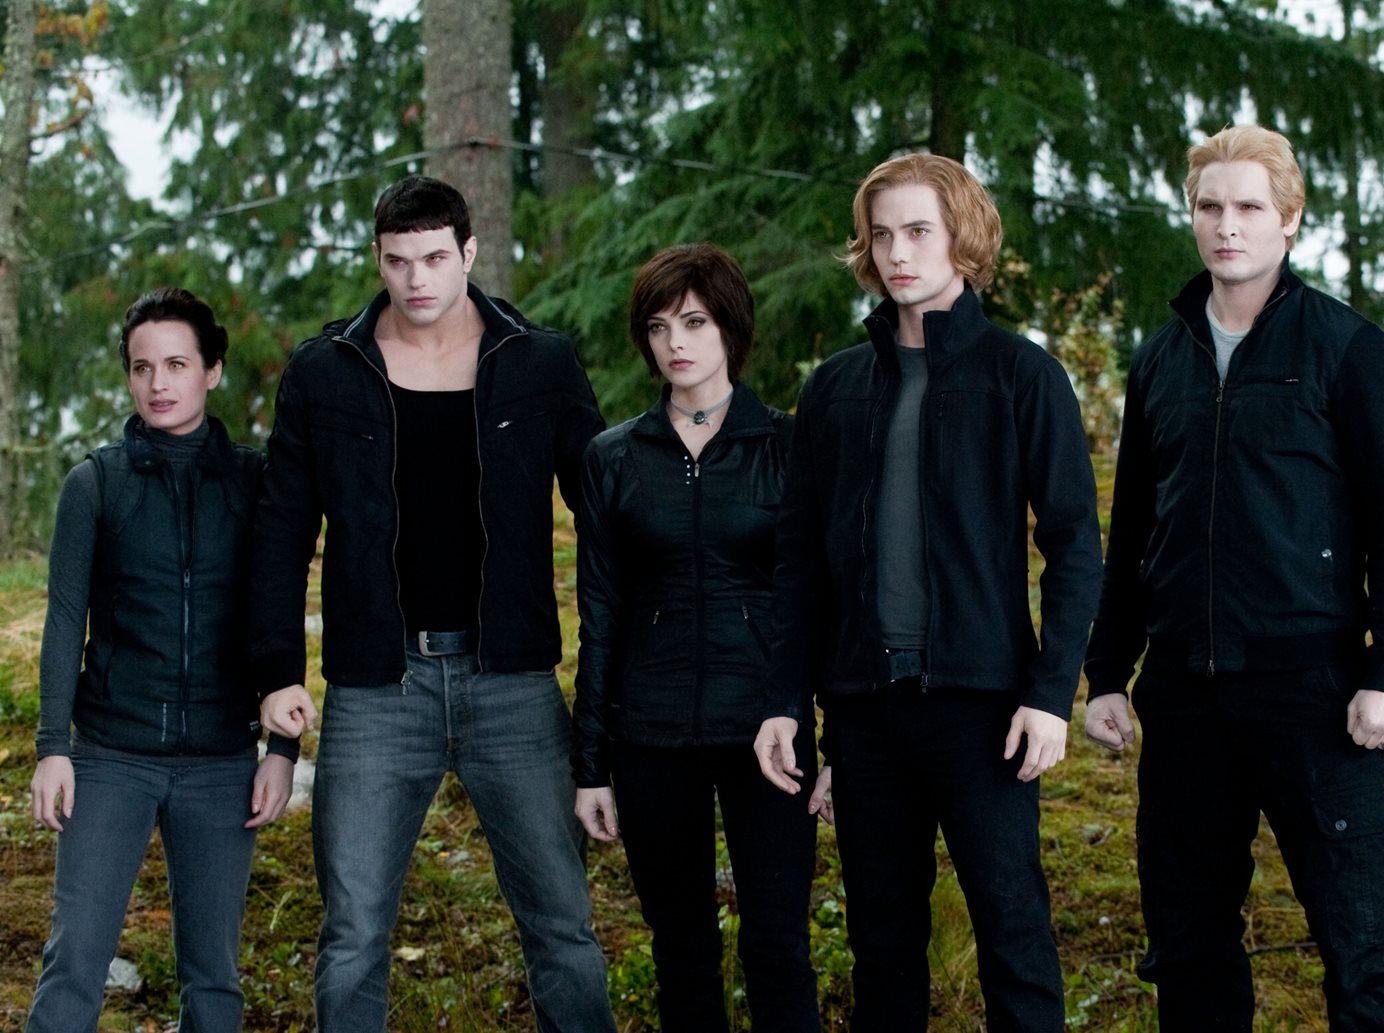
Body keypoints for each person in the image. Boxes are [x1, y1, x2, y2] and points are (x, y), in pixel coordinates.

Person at [1081, 123, 1384, 1030]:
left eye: (1248, 207)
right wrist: (1107, 671)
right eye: (1210, 206)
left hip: (1312, 688)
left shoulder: (1347, 347)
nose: (1226, 225)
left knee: (1361, 939)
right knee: (1188, 940)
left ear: (1290, 219)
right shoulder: (1160, 359)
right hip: (1184, 691)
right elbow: (1134, 528)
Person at [252, 175, 616, 1032]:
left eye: (435, 258)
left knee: (562, 925)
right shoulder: (325, 372)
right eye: (398, 261)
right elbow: (279, 533)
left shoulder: (539, 362)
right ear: (378, 259)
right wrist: (276, 674)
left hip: (512, 679)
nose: (417, 279)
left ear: (469, 252)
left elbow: (606, 512)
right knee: (351, 934)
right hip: (377, 685)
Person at [752, 153, 1102, 1033]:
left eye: (919, 231)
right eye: (882, 234)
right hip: (865, 711)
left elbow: (1073, 546)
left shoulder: (1023, 376)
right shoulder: (834, 388)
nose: (898, 252)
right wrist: (787, 702)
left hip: (985, 709)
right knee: (882, 947)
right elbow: (799, 564)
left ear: (962, 238)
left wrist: (1049, 695)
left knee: (1013, 936)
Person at [27, 288, 298, 1032]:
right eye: (142, 367)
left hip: (221, 763)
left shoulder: (255, 482)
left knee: (213, 978)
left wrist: (282, 751)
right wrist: (53, 747)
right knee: (75, 962)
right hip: (111, 757)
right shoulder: (96, 483)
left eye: (177, 364)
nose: (158, 383)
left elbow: (277, 618)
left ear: (213, 370)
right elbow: (64, 621)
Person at [571, 243, 818, 1031]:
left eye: (695, 321)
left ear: (731, 328)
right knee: (681, 948)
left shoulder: (789, 445)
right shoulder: (613, 457)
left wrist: (830, 735)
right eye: (658, 326)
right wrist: (590, 765)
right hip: (651, 735)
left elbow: (820, 601)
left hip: (768, 734)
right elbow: (600, 613)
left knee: (778, 945)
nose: (674, 342)